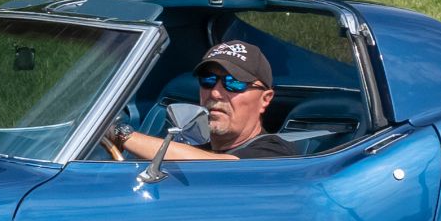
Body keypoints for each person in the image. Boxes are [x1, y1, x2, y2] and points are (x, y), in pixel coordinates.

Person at [103, 41, 300, 161]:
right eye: (208, 81)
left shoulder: (275, 153)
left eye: (234, 84)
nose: (215, 93)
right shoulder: (192, 145)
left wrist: (119, 133)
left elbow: (218, 168)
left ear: (265, 99)